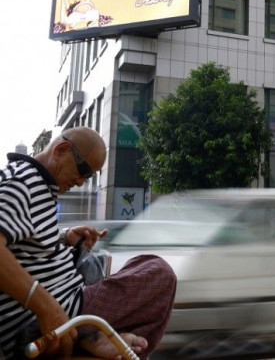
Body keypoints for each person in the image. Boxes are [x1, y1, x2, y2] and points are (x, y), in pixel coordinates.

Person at [0, 127, 176, 360]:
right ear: (61, 150)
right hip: (53, 313)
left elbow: (24, 245)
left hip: (68, 299)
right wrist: (47, 309)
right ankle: (91, 340)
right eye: (83, 170)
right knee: (159, 273)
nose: (81, 182)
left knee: (128, 265)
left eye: (89, 176)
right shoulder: (21, 181)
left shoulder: (39, 184)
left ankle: (91, 340)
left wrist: (65, 237)